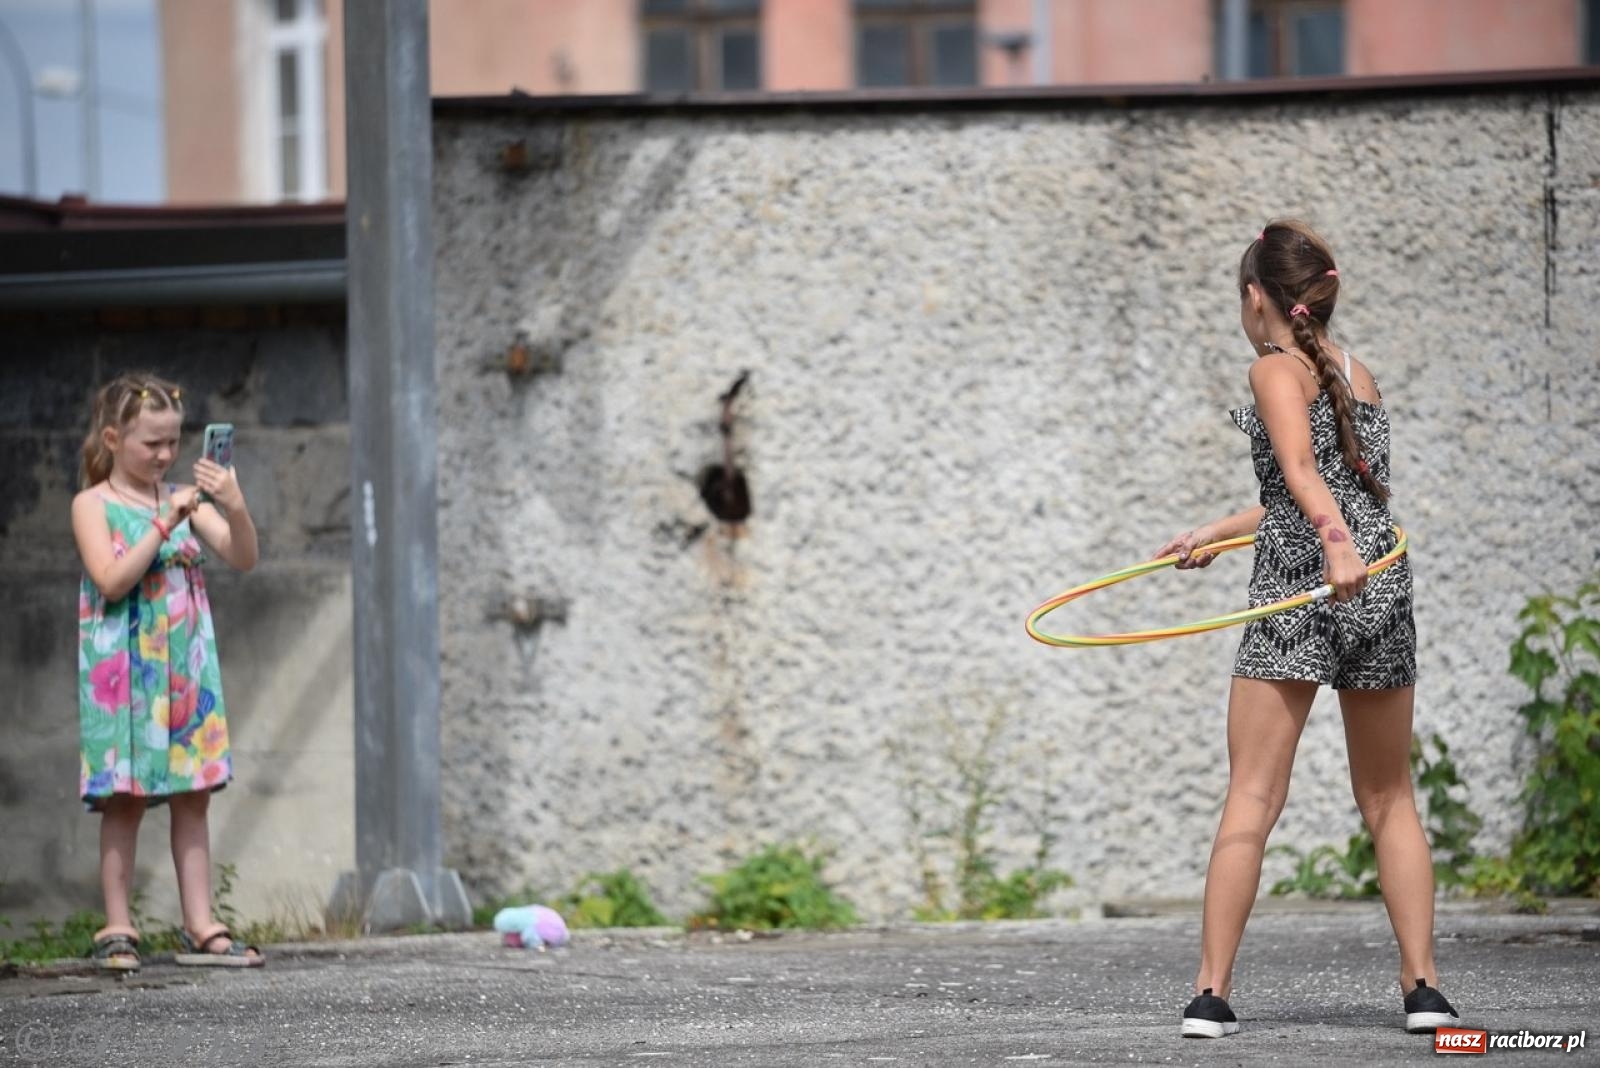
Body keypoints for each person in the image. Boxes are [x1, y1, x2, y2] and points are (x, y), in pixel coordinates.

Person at [1153, 221, 1458, 1038]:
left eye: (1239, 296)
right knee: (1390, 798)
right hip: (1378, 586)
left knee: (1251, 796)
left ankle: (1210, 995)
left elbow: (1301, 476)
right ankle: (1424, 988)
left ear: (1259, 297)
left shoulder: (1271, 369)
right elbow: (1340, 494)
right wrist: (1213, 533)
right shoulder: (1359, 374)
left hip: (1305, 585)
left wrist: (1330, 546)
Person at [71, 373, 264, 970]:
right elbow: (111, 579)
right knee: (123, 800)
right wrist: (164, 523)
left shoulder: (185, 500)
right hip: (124, 676)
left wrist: (231, 503)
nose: (163, 455)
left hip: (185, 670)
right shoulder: (92, 505)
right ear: (113, 438)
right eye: (150, 443)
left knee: (193, 796)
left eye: (172, 443)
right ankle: (118, 924)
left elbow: (243, 557)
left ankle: (201, 923)